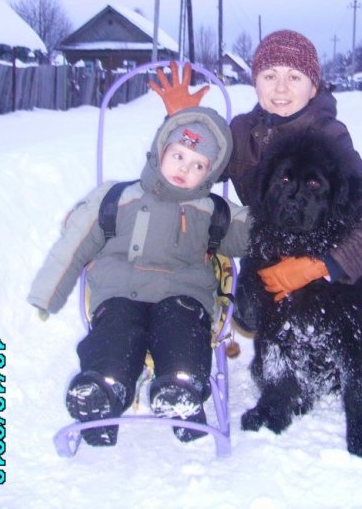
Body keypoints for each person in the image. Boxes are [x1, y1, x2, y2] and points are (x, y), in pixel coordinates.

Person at [223, 30, 362, 410]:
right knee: (249, 313)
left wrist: (322, 266)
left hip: (327, 247)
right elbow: (188, 168)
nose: (281, 88)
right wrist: (182, 121)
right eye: (270, 76)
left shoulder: (330, 136)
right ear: (255, 81)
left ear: (313, 86)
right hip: (273, 248)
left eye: (294, 77)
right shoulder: (240, 133)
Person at [27, 99, 251, 446]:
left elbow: (260, 233)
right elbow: (74, 243)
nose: (184, 168)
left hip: (183, 295)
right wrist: (47, 293)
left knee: (183, 331)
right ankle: (103, 390)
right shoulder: (116, 197)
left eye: (197, 165)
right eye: (178, 155)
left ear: (210, 173)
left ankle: (181, 388)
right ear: (160, 149)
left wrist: (288, 212)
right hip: (118, 292)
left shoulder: (214, 211)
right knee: (115, 334)